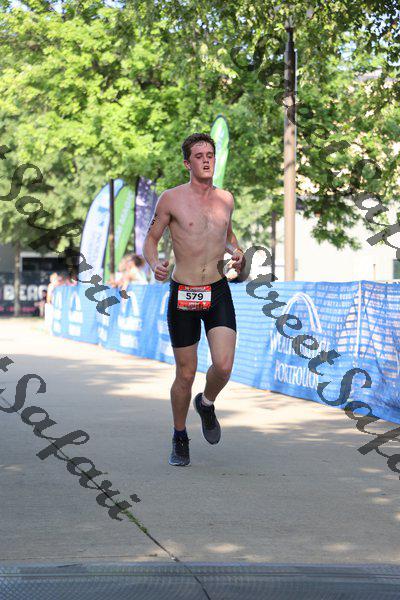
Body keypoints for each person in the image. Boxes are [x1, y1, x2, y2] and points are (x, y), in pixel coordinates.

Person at [143, 132, 245, 467]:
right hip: (184, 292)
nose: (206, 160)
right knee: (186, 374)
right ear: (187, 163)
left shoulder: (226, 199)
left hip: (216, 290)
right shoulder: (170, 199)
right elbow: (151, 239)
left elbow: (228, 236)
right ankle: (179, 435)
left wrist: (237, 253)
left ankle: (206, 402)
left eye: (210, 155)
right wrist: (154, 263)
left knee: (224, 365)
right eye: (199, 156)